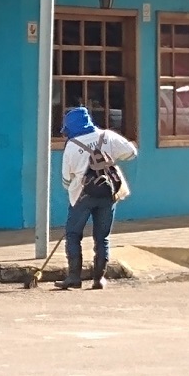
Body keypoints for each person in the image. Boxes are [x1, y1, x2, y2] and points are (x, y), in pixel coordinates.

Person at [57, 106, 137, 290]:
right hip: (107, 194)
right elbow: (131, 153)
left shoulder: (72, 145)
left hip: (80, 197)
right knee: (102, 237)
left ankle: (74, 278)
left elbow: (66, 180)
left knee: (73, 235)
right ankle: (99, 279)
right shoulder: (107, 136)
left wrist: (75, 185)